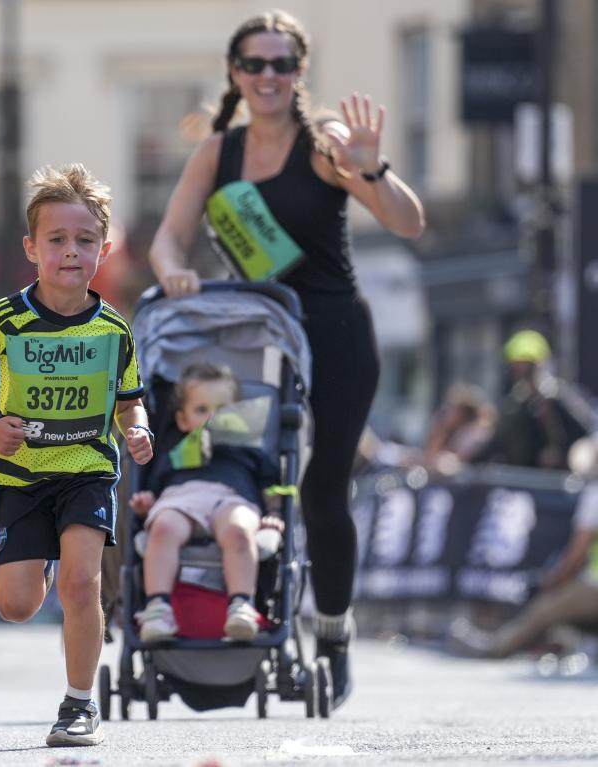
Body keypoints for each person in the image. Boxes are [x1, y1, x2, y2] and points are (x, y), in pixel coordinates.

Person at [147, 9, 424, 709]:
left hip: (331, 331)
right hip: (253, 338)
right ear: (234, 74)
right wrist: (174, 270)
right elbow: (167, 238)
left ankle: (331, 630)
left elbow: (405, 220)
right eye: (254, 64)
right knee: (239, 478)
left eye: (281, 64)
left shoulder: (323, 142)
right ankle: (241, 612)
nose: (267, 76)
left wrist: (372, 169)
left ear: (299, 72)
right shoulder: (218, 153)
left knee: (323, 488)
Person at [0, 163, 153, 748]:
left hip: (87, 471)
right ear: (32, 248)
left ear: (104, 250)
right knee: (16, 605)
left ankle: (78, 705)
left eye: (85, 241)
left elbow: (130, 403)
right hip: (21, 477)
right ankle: (49, 563)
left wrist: (138, 432)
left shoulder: (113, 330)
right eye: (56, 240)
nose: (70, 252)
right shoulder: (2, 321)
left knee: (81, 585)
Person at [130, 362, 283, 642]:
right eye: (202, 410)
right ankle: (158, 609)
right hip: (182, 497)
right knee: (162, 527)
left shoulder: (249, 451)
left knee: (239, 531)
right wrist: (146, 504)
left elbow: (272, 486)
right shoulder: (173, 451)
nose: (213, 417)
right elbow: (157, 489)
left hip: (233, 498)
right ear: (182, 420)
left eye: (223, 409)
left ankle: (241, 607)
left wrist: (274, 511)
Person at [448, 436, 598, 658]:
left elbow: (577, 552)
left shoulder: (595, 494)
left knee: (545, 609)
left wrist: (556, 580)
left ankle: (496, 649)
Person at [470, 330, 592, 470]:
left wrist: (567, 455)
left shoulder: (559, 396)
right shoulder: (514, 405)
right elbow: (498, 442)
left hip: (565, 482)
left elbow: (586, 432)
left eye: (527, 366)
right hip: (524, 482)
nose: (521, 372)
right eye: (517, 366)